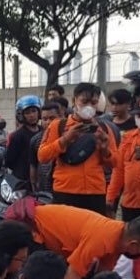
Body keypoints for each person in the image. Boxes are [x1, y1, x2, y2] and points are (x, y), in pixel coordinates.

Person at [38, 82, 118, 216]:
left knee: (93, 234)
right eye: (84, 101)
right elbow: (42, 156)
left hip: (95, 192)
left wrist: (105, 149)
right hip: (65, 191)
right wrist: (65, 140)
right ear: (74, 101)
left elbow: (115, 163)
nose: (89, 107)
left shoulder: (103, 128)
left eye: (94, 103)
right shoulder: (58, 126)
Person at [5, 95, 42, 183]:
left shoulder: (44, 131)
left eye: (34, 111)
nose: (31, 115)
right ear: (21, 115)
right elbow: (9, 161)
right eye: (27, 112)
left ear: (39, 112)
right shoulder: (17, 136)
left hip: (41, 178)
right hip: (23, 180)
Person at [29, 101, 63, 192]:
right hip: (44, 187)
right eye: (44, 119)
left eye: (52, 118)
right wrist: (33, 184)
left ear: (60, 117)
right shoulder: (35, 140)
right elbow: (33, 165)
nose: (48, 122)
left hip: (62, 187)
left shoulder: (68, 137)